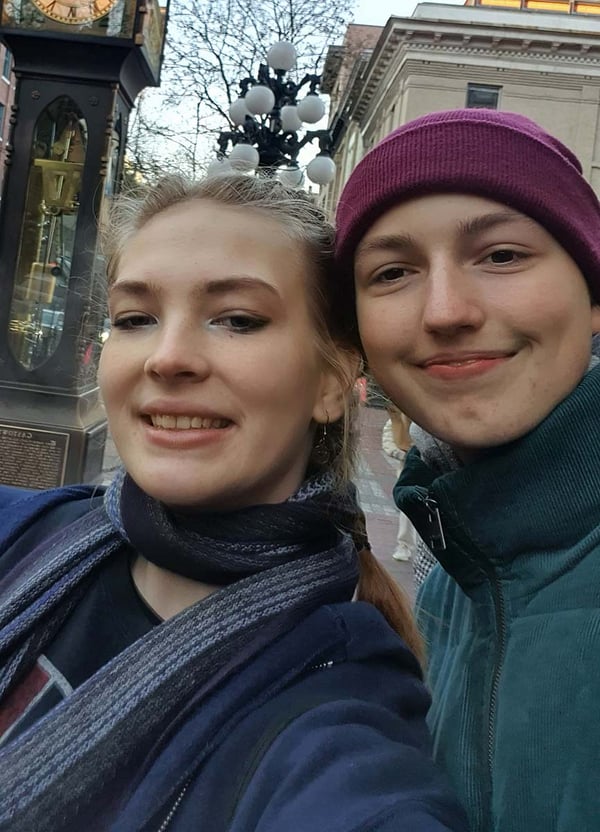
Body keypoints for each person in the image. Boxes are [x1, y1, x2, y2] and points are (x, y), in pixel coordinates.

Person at [0, 173, 468, 832]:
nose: (168, 358)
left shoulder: (335, 707)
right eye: (135, 319)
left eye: (238, 320)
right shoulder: (24, 531)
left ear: (332, 382)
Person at [334, 108, 600, 832]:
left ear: (593, 295)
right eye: (392, 272)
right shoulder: (452, 566)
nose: (446, 311)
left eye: (502, 256)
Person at [380, 405, 418, 562]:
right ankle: (404, 545)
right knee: (407, 509)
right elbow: (388, 444)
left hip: (430, 469)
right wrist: (407, 455)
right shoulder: (394, 421)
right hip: (407, 472)